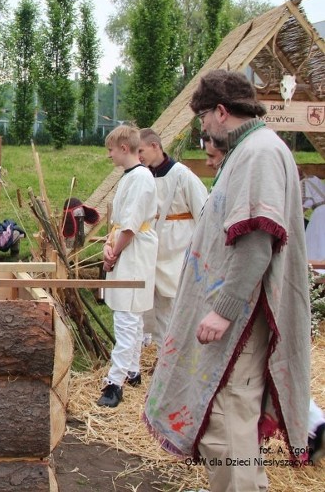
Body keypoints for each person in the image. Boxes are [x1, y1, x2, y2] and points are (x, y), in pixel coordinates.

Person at [144, 70, 310, 491]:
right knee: (233, 412)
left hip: (240, 319)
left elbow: (256, 242)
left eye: (203, 119)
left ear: (221, 111)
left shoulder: (258, 153)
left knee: (228, 414)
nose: (203, 129)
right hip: (236, 314)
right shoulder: (252, 150)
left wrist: (223, 310)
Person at [203, 132, 325, 467]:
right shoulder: (255, 164)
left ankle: (312, 428)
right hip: (241, 304)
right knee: (251, 395)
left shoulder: (259, 162)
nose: (210, 163)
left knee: (239, 404)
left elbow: (256, 249)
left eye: (213, 157)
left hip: (247, 312)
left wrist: (223, 308)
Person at [98, 125, 158, 407]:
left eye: (111, 150)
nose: (109, 155)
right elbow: (121, 223)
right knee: (130, 316)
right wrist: (110, 245)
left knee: (127, 316)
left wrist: (114, 252)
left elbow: (131, 225)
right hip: (127, 249)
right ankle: (132, 369)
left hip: (134, 254)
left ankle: (115, 381)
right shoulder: (132, 176)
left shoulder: (141, 178)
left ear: (124, 148)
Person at [137, 128, 208, 348]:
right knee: (156, 301)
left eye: (141, 150)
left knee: (175, 300)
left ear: (155, 146)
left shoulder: (182, 174)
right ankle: (161, 349)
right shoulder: (144, 175)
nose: (138, 156)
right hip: (155, 245)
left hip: (179, 246)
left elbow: (203, 211)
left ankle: (179, 348)